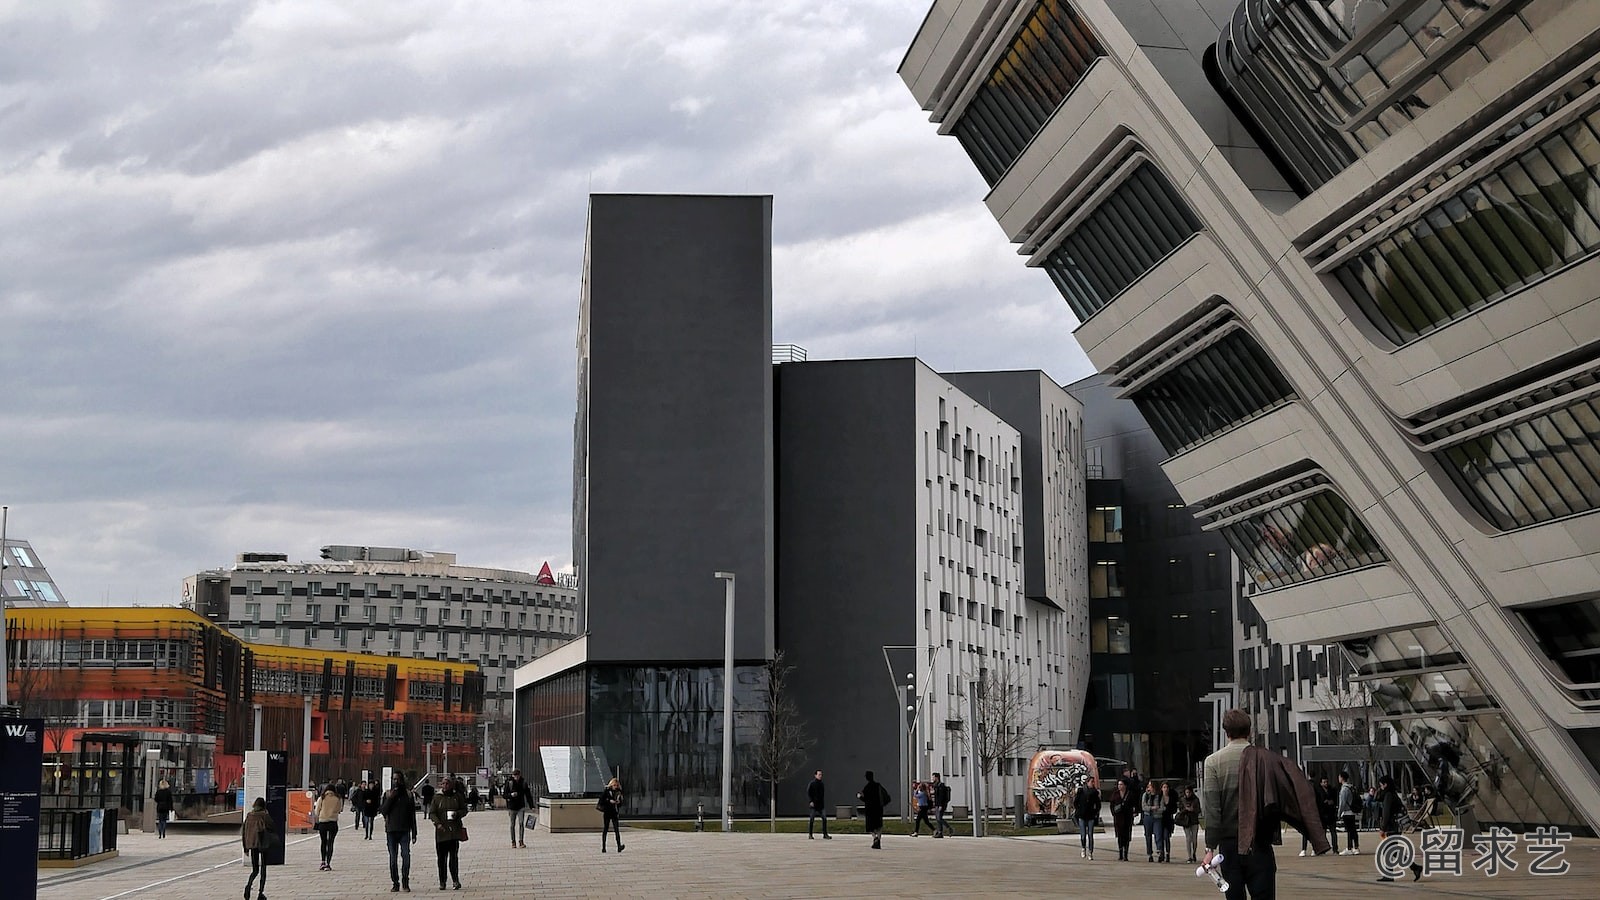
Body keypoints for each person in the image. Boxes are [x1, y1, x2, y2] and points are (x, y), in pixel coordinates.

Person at [1201, 710, 1273, 898]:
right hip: (1259, 842)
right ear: (1249, 731)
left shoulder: (1213, 762)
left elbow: (1212, 810)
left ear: (1226, 732)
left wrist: (1210, 848)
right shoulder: (1265, 759)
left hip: (1230, 845)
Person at [1375, 775, 1422, 883]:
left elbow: (1386, 813)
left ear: (1385, 784)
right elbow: (1377, 798)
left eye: (1381, 785)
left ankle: (1389, 875)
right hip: (1395, 826)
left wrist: (1383, 828)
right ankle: (1415, 867)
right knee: (1393, 851)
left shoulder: (1388, 795)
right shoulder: (1392, 794)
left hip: (1392, 826)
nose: (1380, 787)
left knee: (1389, 850)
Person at [381, 772, 419, 893]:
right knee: (393, 859)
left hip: (404, 830)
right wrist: (391, 798)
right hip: (391, 831)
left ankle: (405, 881)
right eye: (394, 779)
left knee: (406, 856)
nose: (395, 781)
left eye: (397, 779)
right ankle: (395, 882)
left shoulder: (408, 795)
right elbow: (383, 811)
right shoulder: (387, 794)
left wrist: (414, 832)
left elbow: (412, 814)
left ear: (402, 780)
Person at [428, 776, 467, 890]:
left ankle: (455, 880)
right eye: (444, 783)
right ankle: (442, 881)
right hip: (442, 832)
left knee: (453, 857)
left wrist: (458, 814)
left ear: (451, 785)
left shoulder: (457, 797)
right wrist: (438, 823)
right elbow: (432, 813)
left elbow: (464, 809)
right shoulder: (437, 797)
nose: (445, 786)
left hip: (454, 831)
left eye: (448, 783)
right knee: (441, 858)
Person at [242, 797, 274, 900]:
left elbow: (244, 831)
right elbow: (272, 826)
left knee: (255, 870)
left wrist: (245, 848)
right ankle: (260, 893)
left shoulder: (249, 816)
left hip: (252, 845)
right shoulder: (264, 815)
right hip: (263, 844)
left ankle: (248, 886)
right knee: (263, 868)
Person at [1302, 775, 1336, 856]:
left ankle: (1334, 848)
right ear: (1320, 783)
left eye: (1326, 782)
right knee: (1320, 832)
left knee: (1332, 832)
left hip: (1329, 813)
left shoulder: (1331, 790)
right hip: (1322, 813)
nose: (1326, 783)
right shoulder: (1318, 791)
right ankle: (1312, 849)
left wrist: (1331, 802)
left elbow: (1335, 799)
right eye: (1324, 782)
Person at [857, 771, 890, 850]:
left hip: (870, 809)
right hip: (878, 809)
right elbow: (885, 796)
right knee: (878, 825)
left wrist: (859, 797)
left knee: (870, 826)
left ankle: (875, 838)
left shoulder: (867, 787)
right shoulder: (878, 785)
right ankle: (878, 839)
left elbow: (865, 799)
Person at [503, 769, 535, 848]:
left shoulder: (523, 783)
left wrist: (531, 805)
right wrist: (511, 795)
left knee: (521, 823)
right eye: (515, 776)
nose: (516, 777)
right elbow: (504, 795)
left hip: (521, 806)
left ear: (519, 775)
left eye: (517, 776)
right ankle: (513, 841)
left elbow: (528, 794)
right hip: (512, 807)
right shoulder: (509, 783)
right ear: (513, 776)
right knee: (512, 825)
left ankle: (521, 841)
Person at [314, 785, 342, 871]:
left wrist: (320, 816)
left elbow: (317, 811)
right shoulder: (338, 798)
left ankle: (323, 861)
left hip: (323, 822)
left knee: (323, 842)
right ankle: (328, 863)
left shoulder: (321, 798)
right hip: (333, 822)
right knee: (331, 842)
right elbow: (339, 809)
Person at [1072, 781, 1101, 860]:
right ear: (1087, 783)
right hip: (1082, 816)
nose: (1093, 783)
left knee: (1090, 835)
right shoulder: (1081, 791)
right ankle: (1083, 848)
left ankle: (1090, 852)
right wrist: (1078, 810)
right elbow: (1075, 802)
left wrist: (1095, 812)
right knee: (1083, 834)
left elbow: (1098, 804)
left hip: (1091, 816)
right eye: (1091, 782)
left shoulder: (1095, 793)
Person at [1109, 780, 1136, 861]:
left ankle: (1126, 854)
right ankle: (1120, 853)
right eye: (1118, 784)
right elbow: (1112, 804)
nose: (1119, 786)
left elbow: (1133, 804)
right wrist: (1114, 813)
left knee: (1126, 836)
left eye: (1121, 784)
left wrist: (1133, 812)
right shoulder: (1115, 794)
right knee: (1120, 836)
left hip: (1127, 817)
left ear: (1125, 785)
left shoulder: (1130, 794)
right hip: (1118, 818)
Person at [597, 777, 625, 853]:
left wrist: (619, 802)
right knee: (605, 829)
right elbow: (601, 801)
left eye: (617, 785)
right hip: (607, 812)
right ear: (611, 785)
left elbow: (621, 802)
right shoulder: (606, 791)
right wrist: (609, 801)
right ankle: (603, 847)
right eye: (614, 785)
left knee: (616, 829)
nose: (616, 787)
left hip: (614, 812)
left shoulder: (618, 792)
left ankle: (619, 846)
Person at [1336, 772, 1360, 855]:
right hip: (1353, 811)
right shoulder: (1352, 787)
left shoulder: (1344, 789)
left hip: (1347, 812)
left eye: (1339, 777)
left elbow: (1342, 803)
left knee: (1349, 831)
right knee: (1353, 830)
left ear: (1342, 778)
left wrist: (1339, 814)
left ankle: (1349, 848)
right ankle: (1356, 847)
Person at [1177, 784, 1202, 864]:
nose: (1187, 794)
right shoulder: (1182, 800)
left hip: (1194, 820)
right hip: (1186, 821)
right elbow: (1180, 810)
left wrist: (1193, 809)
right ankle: (1189, 856)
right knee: (1188, 838)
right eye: (1186, 792)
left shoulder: (1195, 800)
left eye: (1189, 792)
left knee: (1194, 839)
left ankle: (1194, 853)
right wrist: (1185, 809)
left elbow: (1199, 810)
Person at [1141, 780, 1161, 862]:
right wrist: (1152, 808)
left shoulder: (1159, 796)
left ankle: (1159, 851)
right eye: (1148, 786)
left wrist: (1157, 809)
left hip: (1157, 817)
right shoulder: (1145, 795)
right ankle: (1149, 854)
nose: (1148, 787)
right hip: (1147, 816)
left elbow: (1161, 806)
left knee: (1158, 835)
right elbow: (1143, 806)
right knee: (1148, 835)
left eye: (1150, 786)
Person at [806, 770, 830, 839]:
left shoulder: (822, 784)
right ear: (815, 775)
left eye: (821, 775)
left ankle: (825, 834)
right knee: (811, 819)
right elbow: (808, 793)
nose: (820, 776)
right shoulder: (812, 783)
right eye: (819, 774)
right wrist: (811, 801)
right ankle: (810, 834)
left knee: (824, 819)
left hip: (821, 805)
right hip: (814, 805)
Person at [1158, 781, 1178, 862]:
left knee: (1166, 837)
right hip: (1160, 819)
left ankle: (1167, 853)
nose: (1165, 789)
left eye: (1167, 787)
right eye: (1164, 787)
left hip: (1168, 820)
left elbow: (1174, 809)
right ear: (1161, 789)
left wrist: (1168, 810)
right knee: (1160, 837)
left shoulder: (1171, 798)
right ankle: (1161, 853)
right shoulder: (1159, 797)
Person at [932, 773, 951, 838]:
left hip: (941, 805)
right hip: (937, 804)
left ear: (937, 778)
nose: (933, 779)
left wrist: (940, 805)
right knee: (938, 819)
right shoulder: (936, 785)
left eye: (933, 777)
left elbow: (941, 797)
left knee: (939, 818)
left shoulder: (941, 786)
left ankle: (949, 828)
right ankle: (940, 832)